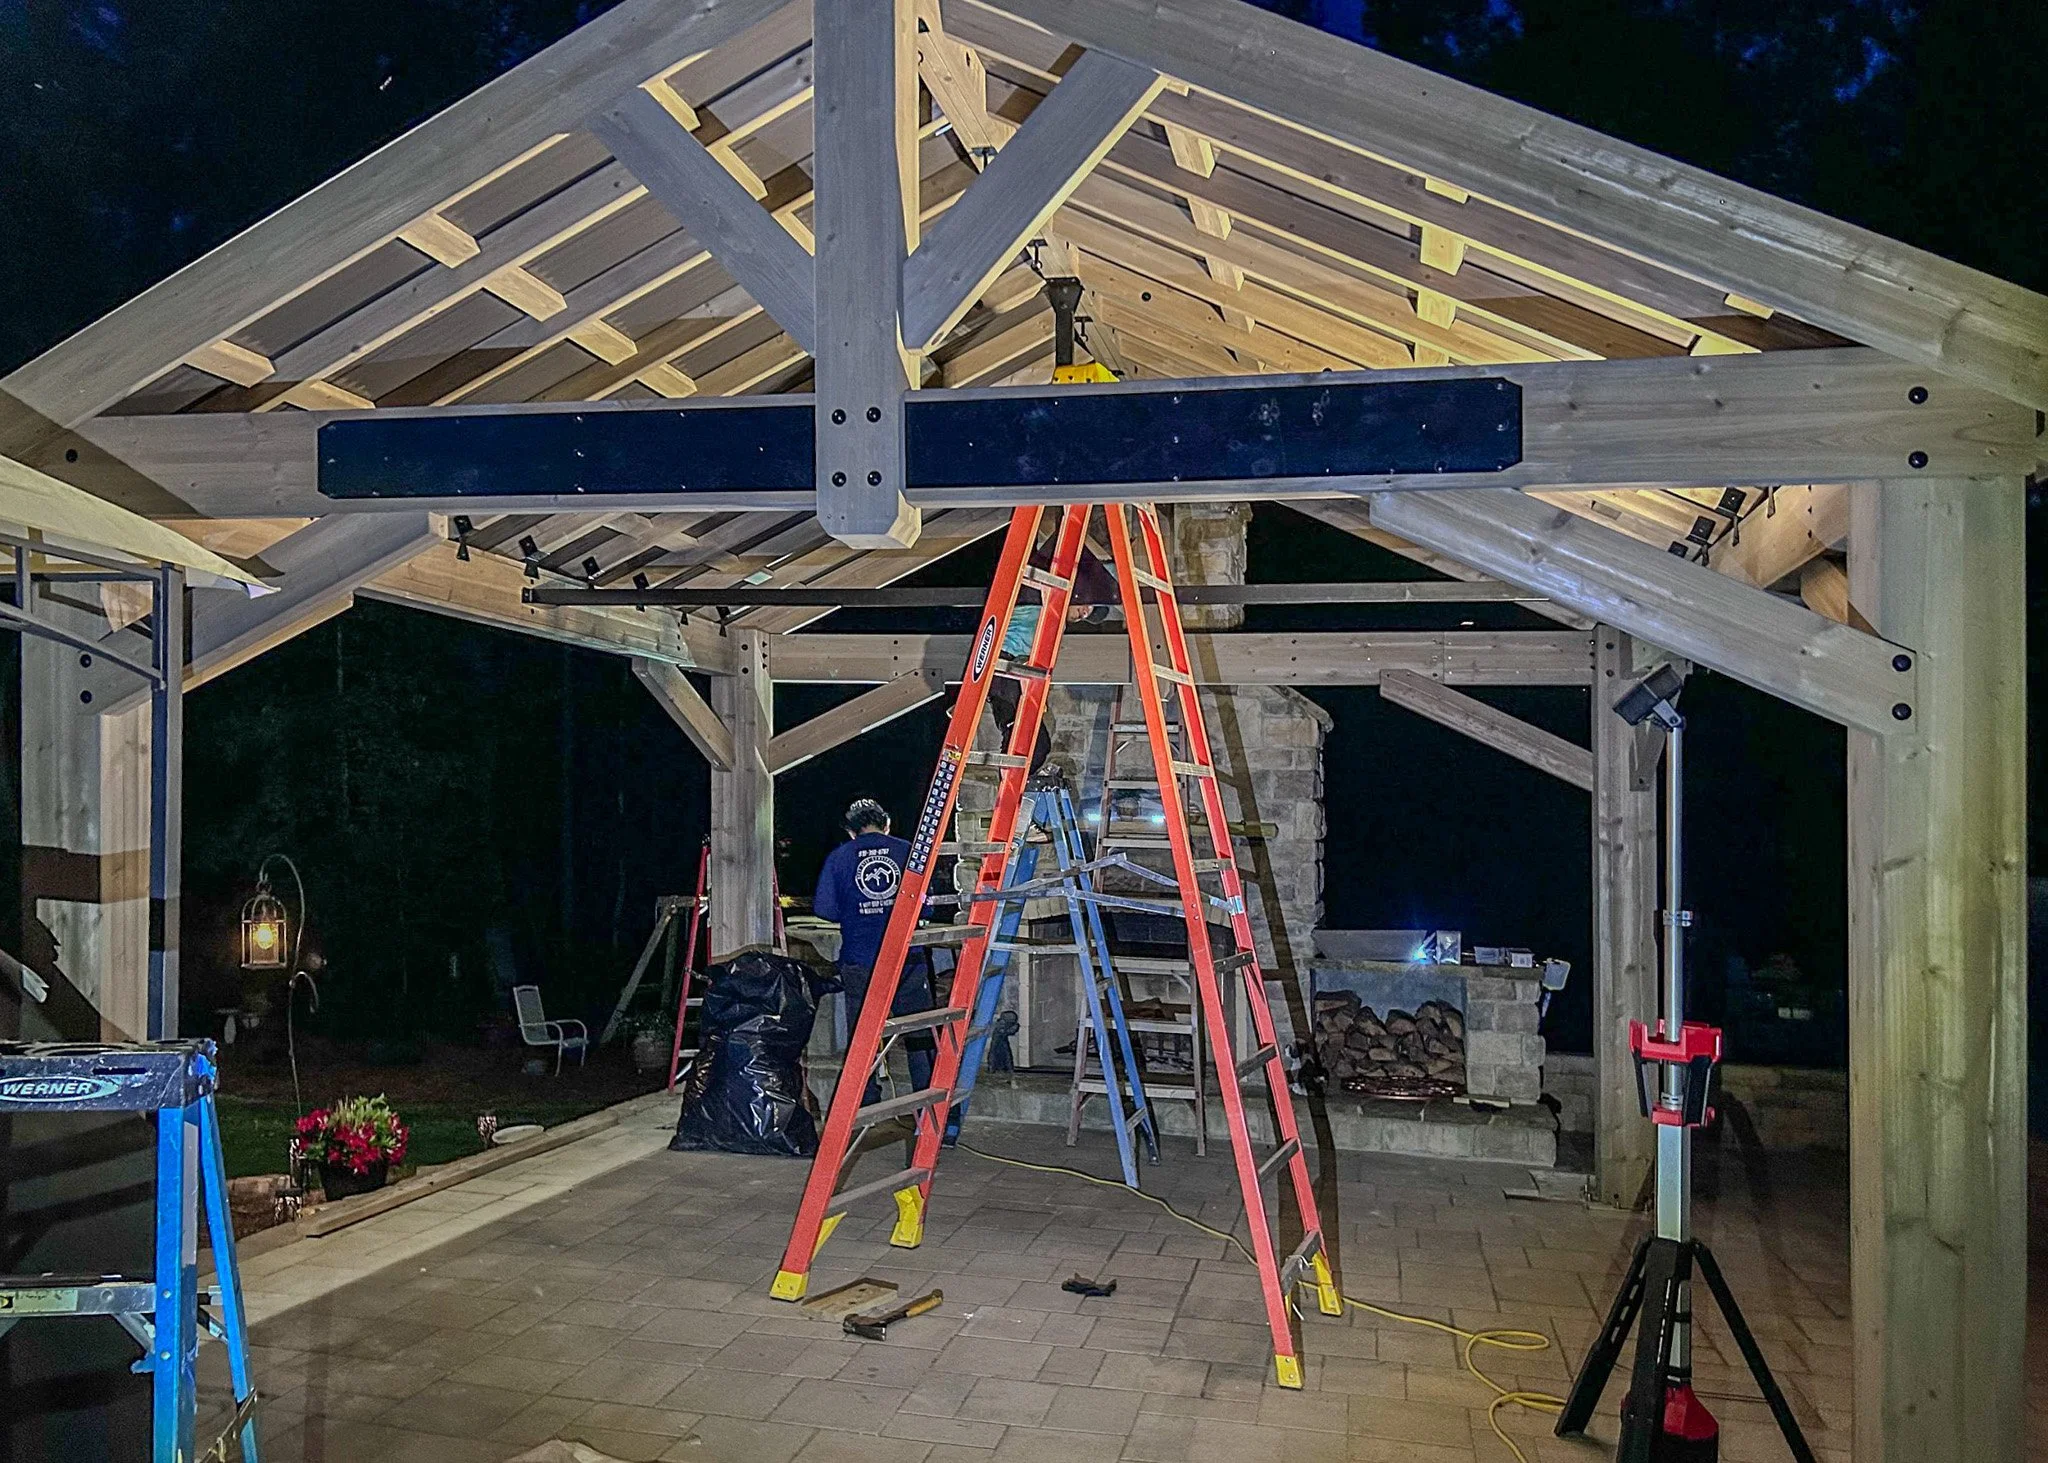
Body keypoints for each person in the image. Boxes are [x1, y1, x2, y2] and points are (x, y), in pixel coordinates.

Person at [814, 798, 937, 1103]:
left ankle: (864, 1105)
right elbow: (929, 906)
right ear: (887, 823)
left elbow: (824, 908)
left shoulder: (839, 857)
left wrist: (858, 912)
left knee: (863, 1038)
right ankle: (931, 1113)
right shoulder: (908, 851)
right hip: (906, 959)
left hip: (860, 961)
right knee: (920, 1036)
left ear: (851, 832)